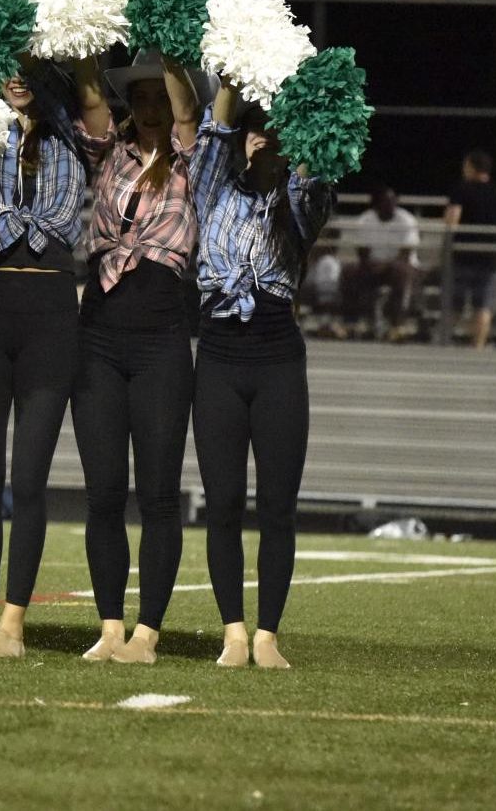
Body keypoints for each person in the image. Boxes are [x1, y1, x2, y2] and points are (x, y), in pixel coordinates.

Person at [0, 56, 106, 659]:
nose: (15, 77)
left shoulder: (71, 136)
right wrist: (5, 220)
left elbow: (58, 225)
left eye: (30, 68)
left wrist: (3, 220)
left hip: (48, 310)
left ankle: (14, 626)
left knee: (29, 478)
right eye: (4, 66)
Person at [182, 72, 335, 669]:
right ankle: (234, 633)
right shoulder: (212, 190)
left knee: (277, 505)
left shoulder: (302, 200)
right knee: (222, 503)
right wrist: (230, 83)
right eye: (253, 129)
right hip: (218, 357)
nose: (259, 139)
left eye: (272, 132)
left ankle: (268, 635)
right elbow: (212, 136)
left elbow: (314, 188)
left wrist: (299, 145)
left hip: (277, 360)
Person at [71, 51, 199, 665]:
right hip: (97, 332)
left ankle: (148, 631)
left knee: (158, 495)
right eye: (139, 97)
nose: (150, 108)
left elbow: (190, 117)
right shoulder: (109, 152)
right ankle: (111, 628)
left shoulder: (196, 161)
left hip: (161, 337)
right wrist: (82, 48)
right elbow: (92, 102)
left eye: (160, 98)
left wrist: (174, 58)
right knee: (102, 493)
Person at [340, 186, 422, 340]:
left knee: (400, 272)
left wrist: (385, 265)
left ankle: (398, 325)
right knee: (349, 271)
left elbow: (405, 254)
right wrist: (372, 265)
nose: (391, 205)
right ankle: (351, 323)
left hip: (401, 267)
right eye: (386, 202)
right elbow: (362, 252)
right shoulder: (365, 220)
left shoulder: (407, 220)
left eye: (393, 201)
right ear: (376, 204)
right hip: (373, 266)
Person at [444, 150, 496, 349]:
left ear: (470, 167)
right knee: (483, 305)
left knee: (454, 304)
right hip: (490, 256)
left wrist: (447, 242)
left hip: (463, 254)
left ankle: (444, 343)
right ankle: (477, 347)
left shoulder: (461, 189)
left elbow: (452, 219)